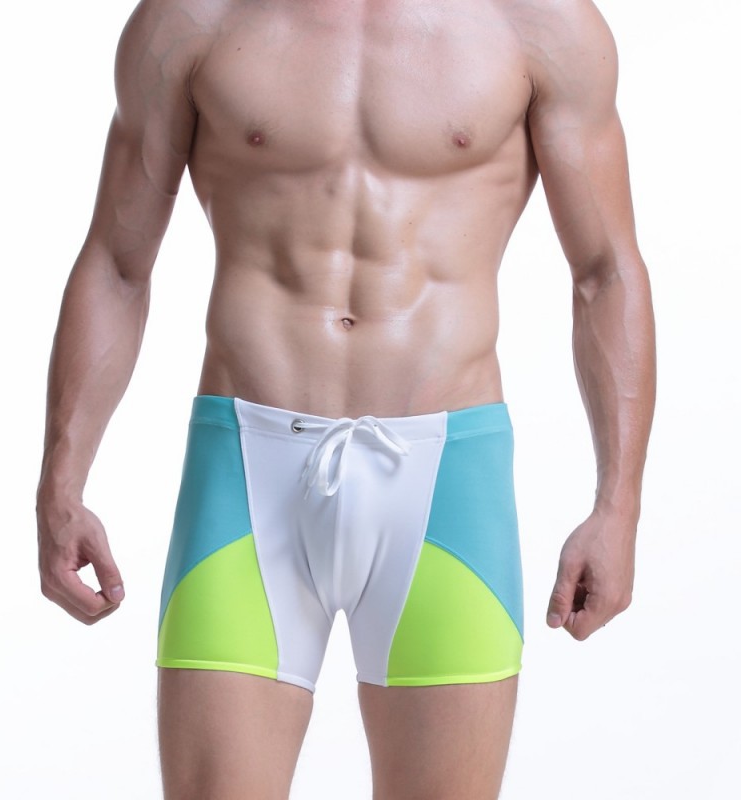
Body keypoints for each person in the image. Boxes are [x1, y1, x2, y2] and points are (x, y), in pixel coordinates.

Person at [35, 0, 656, 797]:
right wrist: (61, 484)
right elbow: (117, 263)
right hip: (246, 471)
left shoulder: (540, 23)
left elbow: (606, 271)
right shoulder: (192, 19)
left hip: (446, 482)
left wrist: (618, 506)